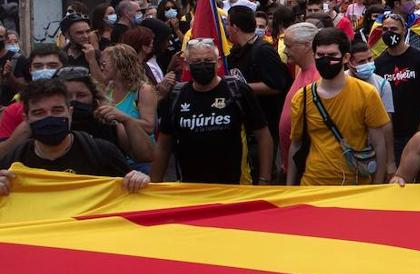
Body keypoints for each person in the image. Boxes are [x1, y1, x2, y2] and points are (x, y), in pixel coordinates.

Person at [150, 39, 273, 184]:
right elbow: (164, 145)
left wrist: (265, 179)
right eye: (197, 61)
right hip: (190, 188)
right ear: (186, 65)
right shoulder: (177, 95)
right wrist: (154, 185)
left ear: (219, 62)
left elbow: (263, 135)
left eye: (208, 60)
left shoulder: (237, 90)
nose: (203, 65)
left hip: (235, 186)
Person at [0, 78, 149, 191]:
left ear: (69, 113)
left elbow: (133, 195)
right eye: (39, 113)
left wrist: (140, 180)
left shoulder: (102, 153)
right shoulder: (13, 162)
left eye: (57, 110)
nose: (49, 117)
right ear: (26, 118)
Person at [288, 28, 390, 185]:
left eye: (332, 55)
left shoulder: (367, 94)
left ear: (346, 57)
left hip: (355, 186)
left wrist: (377, 186)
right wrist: (290, 187)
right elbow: (296, 144)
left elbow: (379, 144)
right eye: (320, 55)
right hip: (312, 185)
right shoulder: (302, 98)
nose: (326, 60)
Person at [225, 4, 291, 153]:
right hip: (245, 124)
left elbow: (276, 85)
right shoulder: (237, 51)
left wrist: (239, 88)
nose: (226, 28)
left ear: (235, 27)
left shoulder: (263, 51)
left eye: (228, 24)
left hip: (263, 126)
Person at [373, 11, 420, 155]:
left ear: (404, 30)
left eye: (394, 29)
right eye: (385, 30)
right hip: (392, 134)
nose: (389, 33)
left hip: (419, 130)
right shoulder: (378, 63)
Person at [348, 40, 396, 176]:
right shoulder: (341, 83)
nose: (368, 64)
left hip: (372, 152)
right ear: (350, 62)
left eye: (370, 59)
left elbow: (387, 125)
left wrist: (390, 161)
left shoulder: (382, 85)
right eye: (362, 62)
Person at [277, 21, 320, 172]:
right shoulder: (301, 69)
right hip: (294, 165)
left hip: (307, 168)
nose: (285, 51)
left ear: (307, 45)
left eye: (289, 46)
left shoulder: (318, 78)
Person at [99, 43, 157, 137]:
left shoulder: (143, 90)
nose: (101, 68)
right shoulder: (109, 88)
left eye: (104, 64)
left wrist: (121, 118)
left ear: (119, 64)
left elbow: (149, 127)